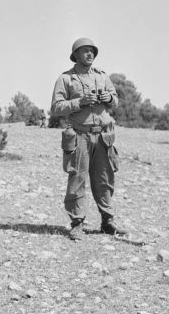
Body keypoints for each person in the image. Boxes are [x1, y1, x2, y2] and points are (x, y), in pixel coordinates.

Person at [51, 38, 128, 240]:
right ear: (75, 54)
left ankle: (108, 222)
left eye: (92, 51)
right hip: (80, 136)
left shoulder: (103, 76)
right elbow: (56, 108)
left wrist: (109, 99)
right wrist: (80, 102)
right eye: (84, 51)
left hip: (103, 136)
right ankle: (77, 223)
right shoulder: (66, 79)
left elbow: (116, 101)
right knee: (77, 179)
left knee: (105, 179)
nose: (89, 54)